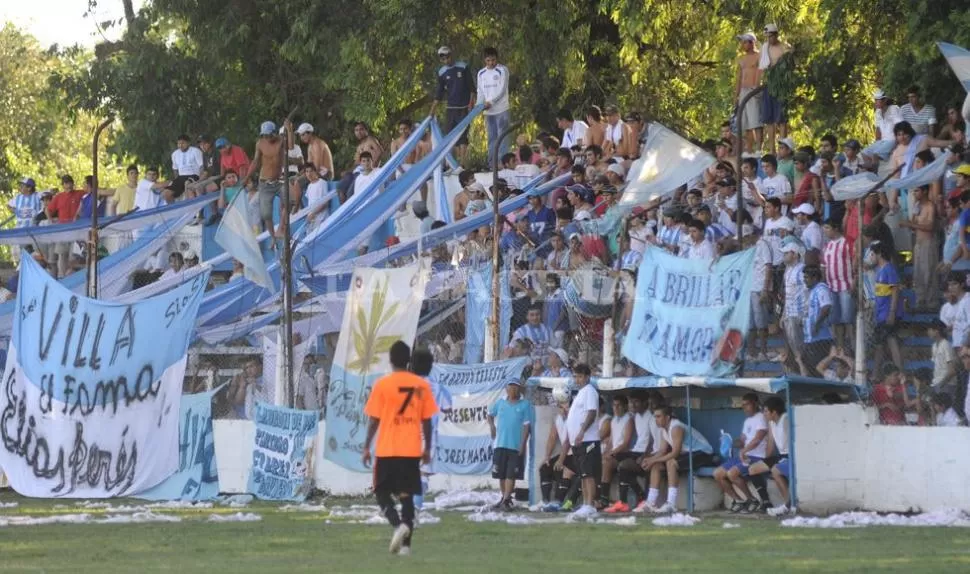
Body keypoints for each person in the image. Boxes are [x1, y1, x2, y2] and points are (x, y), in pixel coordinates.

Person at [362, 341, 439, 556]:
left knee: (381, 492)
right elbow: (427, 421)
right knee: (406, 496)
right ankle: (406, 547)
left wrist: (367, 446)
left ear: (390, 359)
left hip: (387, 448)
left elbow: (374, 419)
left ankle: (398, 525)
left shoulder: (382, 385)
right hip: (411, 448)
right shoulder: (421, 386)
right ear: (408, 360)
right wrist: (427, 448)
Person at [636, 405, 714, 513]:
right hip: (688, 453)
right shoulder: (664, 429)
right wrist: (650, 460)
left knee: (671, 463)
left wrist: (653, 460)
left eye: (658, 417)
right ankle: (650, 503)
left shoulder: (676, 427)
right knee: (656, 466)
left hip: (703, 452)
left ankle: (671, 504)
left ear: (667, 417)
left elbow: (675, 452)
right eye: (655, 417)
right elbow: (662, 450)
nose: (656, 420)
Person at [713, 393, 769, 513]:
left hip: (756, 457)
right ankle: (739, 501)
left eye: (746, 405)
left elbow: (757, 439)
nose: (744, 408)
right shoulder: (747, 421)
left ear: (755, 404)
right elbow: (742, 441)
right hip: (744, 456)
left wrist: (743, 451)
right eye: (742, 406)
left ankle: (752, 500)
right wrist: (730, 442)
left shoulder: (761, 418)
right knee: (717, 474)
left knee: (732, 473)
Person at [556, 364, 600, 518]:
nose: (577, 379)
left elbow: (591, 413)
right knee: (582, 474)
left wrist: (582, 431)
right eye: (575, 376)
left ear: (587, 377)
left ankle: (590, 504)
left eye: (580, 376)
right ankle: (585, 504)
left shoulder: (590, 391)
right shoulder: (580, 393)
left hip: (588, 439)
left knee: (589, 474)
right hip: (578, 442)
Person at [487, 377, 535, 510]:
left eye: (515, 387)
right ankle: (504, 498)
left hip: (515, 446)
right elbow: (490, 414)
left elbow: (526, 426)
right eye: (510, 387)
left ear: (519, 389)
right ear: (506, 389)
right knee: (501, 474)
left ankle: (507, 499)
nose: (512, 389)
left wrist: (522, 444)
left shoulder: (525, 405)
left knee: (510, 474)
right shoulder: (500, 403)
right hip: (500, 444)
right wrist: (492, 427)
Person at [747, 397, 793, 515]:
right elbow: (771, 444)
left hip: (790, 456)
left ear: (774, 412)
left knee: (775, 469)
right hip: (781, 456)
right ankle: (766, 502)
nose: (764, 414)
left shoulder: (786, 419)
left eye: (766, 411)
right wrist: (765, 460)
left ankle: (789, 505)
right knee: (753, 469)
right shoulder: (771, 423)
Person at [431, 46, 475, 164]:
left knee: (463, 136)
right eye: (443, 59)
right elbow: (439, 93)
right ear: (441, 60)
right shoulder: (442, 72)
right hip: (451, 108)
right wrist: (432, 110)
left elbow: (471, 87)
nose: (446, 60)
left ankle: (463, 163)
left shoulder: (463, 67)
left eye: (448, 57)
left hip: (464, 107)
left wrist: (471, 103)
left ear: (452, 55)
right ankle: (453, 164)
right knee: (451, 136)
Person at [246, 121, 285, 240]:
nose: (267, 138)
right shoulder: (260, 143)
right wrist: (247, 177)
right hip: (264, 181)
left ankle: (281, 229)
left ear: (275, 133)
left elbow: (292, 146)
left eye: (269, 135)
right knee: (266, 214)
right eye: (264, 135)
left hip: (280, 180)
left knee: (288, 202)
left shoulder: (282, 141)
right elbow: (255, 161)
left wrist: (288, 128)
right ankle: (273, 237)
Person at [822, 220, 854, 354]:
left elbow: (854, 261)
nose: (825, 231)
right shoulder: (827, 246)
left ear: (835, 228)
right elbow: (823, 266)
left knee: (848, 319)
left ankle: (853, 347)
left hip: (846, 285)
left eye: (827, 228)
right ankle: (840, 348)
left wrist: (854, 283)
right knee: (836, 320)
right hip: (831, 287)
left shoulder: (847, 242)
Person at [759, 23, 791, 153]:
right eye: (767, 37)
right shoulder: (764, 48)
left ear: (776, 35)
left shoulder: (784, 47)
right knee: (769, 119)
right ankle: (772, 150)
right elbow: (762, 66)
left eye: (771, 36)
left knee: (782, 118)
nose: (769, 39)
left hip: (781, 85)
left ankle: (783, 148)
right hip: (768, 85)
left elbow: (789, 65)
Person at [872, 240, 904, 371]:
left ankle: (900, 372)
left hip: (889, 313)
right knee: (880, 344)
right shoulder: (879, 270)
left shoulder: (889, 268)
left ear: (879, 254)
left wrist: (892, 312)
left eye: (872, 254)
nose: (871, 257)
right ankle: (876, 372)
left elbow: (895, 291)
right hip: (881, 313)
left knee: (891, 342)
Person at [477, 47, 511, 168]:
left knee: (502, 136)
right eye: (488, 60)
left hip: (501, 109)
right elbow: (480, 91)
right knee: (491, 138)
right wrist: (479, 105)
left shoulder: (502, 70)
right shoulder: (481, 73)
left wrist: (491, 102)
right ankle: (492, 164)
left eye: (493, 60)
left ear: (497, 59)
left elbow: (502, 90)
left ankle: (503, 163)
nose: (491, 63)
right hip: (488, 112)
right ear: (484, 60)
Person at [599, 394, 634, 509]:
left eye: (619, 405)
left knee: (607, 462)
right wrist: (605, 453)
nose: (616, 408)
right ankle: (600, 499)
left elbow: (626, 443)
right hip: (616, 452)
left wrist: (611, 453)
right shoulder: (614, 420)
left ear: (625, 406)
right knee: (601, 460)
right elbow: (611, 442)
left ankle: (604, 498)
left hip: (626, 453)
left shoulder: (629, 419)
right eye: (614, 405)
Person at [799, 265, 833, 376]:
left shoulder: (821, 289)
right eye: (804, 277)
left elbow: (826, 307)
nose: (804, 280)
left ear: (814, 278)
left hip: (820, 338)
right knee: (806, 365)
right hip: (811, 338)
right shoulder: (812, 291)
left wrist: (817, 325)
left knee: (817, 370)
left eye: (807, 278)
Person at [735, 31, 763, 153]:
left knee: (755, 121)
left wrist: (756, 89)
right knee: (746, 121)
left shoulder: (759, 56)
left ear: (752, 43)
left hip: (753, 91)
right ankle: (749, 149)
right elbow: (739, 77)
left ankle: (758, 149)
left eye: (745, 42)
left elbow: (760, 73)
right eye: (742, 42)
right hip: (743, 91)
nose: (742, 45)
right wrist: (736, 95)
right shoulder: (741, 59)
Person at [929, 319, 958, 398]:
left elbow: (952, 370)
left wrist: (941, 384)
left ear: (936, 331)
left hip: (947, 384)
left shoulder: (946, 345)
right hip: (936, 383)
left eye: (931, 330)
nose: (929, 332)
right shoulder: (934, 346)